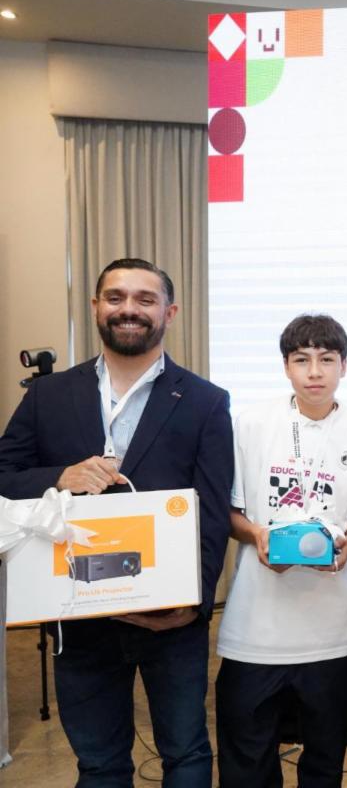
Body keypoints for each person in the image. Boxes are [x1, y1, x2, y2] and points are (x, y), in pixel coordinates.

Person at [0, 258, 234, 786]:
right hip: (77, 613)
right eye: (116, 297)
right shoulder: (47, 396)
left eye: (145, 299)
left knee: (187, 754)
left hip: (171, 620)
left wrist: (192, 605)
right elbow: (3, 475)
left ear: (169, 312)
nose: (129, 309)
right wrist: (59, 476)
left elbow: (213, 511)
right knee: (100, 764)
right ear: (95, 308)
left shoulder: (205, 401)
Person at [215, 314, 347, 786]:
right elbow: (231, 514)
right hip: (256, 623)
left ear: (343, 366)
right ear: (286, 366)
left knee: (325, 756)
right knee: (247, 757)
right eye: (301, 360)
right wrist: (258, 536)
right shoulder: (252, 424)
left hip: (330, 625)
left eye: (326, 360)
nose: (314, 372)